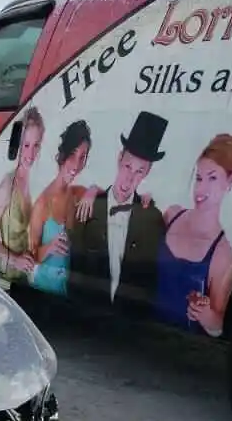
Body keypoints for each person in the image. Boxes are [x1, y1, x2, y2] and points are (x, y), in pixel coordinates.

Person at [67, 111, 169, 311]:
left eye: (139, 171)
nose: (130, 178)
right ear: (120, 158)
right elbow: (75, 266)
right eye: (128, 166)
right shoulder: (89, 205)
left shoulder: (152, 216)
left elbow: (150, 278)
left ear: (147, 172)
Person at [154, 133, 232, 336]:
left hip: (178, 350)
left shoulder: (223, 255)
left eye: (212, 178)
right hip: (140, 335)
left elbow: (219, 324)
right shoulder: (172, 215)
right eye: (199, 178)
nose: (201, 189)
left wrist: (205, 314)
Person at [27, 120, 92, 297]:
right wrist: (49, 247)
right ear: (63, 155)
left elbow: (102, 192)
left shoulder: (76, 193)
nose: (77, 164)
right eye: (73, 155)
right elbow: (30, 257)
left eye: (83, 157)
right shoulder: (43, 203)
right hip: (42, 291)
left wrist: (92, 192)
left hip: (64, 292)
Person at [0, 106, 43, 281]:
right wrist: (14, 260)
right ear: (18, 144)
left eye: (36, 145)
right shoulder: (8, 184)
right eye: (26, 145)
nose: (31, 153)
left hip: (27, 275)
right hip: (9, 276)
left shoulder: (33, 182)